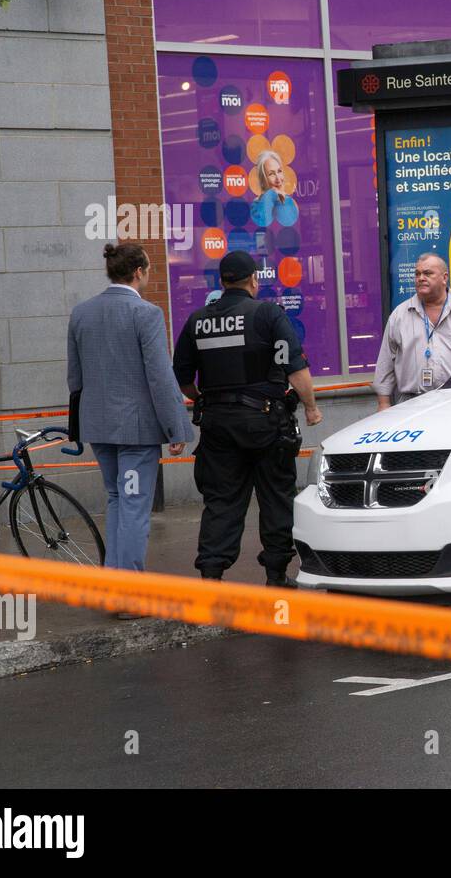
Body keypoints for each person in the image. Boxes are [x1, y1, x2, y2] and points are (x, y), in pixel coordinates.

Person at [172, 250, 323, 586]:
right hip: (266, 424)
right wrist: (311, 407)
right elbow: (294, 367)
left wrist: (202, 399)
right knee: (275, 497)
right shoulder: (268, 314)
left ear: (222, 281)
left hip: (217, 426)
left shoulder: (198, 320)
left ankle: (211, 575)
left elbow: (181, 375)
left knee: (222, 500)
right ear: (254, 280)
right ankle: (276, 575)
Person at [67, 244, 193, 587]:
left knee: (117, 499)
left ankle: (114, 583)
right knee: (136, 506)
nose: (150, 274)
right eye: (149, 268)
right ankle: (129, 590)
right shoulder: (146, 314)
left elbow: (75, 377)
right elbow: (160, 376)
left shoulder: (81, 313)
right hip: (136, 429)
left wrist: (79, 425)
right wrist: (175, 428)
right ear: (138, 272)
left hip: (98, 424)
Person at [375, 253, 451, 410]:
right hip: (411, 405)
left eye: (428, 273)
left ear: (444, 278)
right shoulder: (400, 315)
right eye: (417, 274)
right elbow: (386, 362)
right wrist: (383, 404)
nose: (421, 278)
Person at [251, 149, 298, 228]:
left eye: (279, 171)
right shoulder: (256, 206)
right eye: (271, 174)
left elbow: (289, 220)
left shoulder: (289, 201)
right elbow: (263, 220)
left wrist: (281, 197)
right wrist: (271, 194)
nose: (278, 179)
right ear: (262, 180)